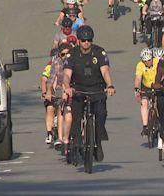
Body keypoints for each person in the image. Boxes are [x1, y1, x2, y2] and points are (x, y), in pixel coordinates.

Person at [63, 25, 116, 162]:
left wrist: (109, 85)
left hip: (97, 88)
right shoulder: (72, 54)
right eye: (84, 40)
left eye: (89, 40)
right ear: (79, 41)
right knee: (76, 116)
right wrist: (67, 87)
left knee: (101, 113)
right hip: (78, 89)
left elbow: (105, 71)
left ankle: (98, 142)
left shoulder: (99, 52)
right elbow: (67, 75)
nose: (86, 42)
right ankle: (77, 140)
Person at [45, 44, 73, 152]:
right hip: (60, 88)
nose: (66, 56)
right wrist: (48, 91)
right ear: (59, 55)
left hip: (74, 88)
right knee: (61, 109)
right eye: (63, 54)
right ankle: (60, 138)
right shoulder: (56, 62)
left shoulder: (74, 60)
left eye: (68, 54)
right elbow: (50, 78)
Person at [134, 48, 159, 136]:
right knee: (144, 103)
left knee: (157, 104)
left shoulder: (157, 61)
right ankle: (145, 126)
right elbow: (138, 78)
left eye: (149, 60)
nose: (148, 62)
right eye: (145, 61)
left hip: (157, 85)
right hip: (146, 86)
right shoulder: (140, 65)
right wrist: (136, 89)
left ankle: (157, 121)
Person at [40, 49, 58, 144]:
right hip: (51, 92)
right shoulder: (49, 66)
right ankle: (49, 133)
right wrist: (44, 92)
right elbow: (43, 80)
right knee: (50, 109)